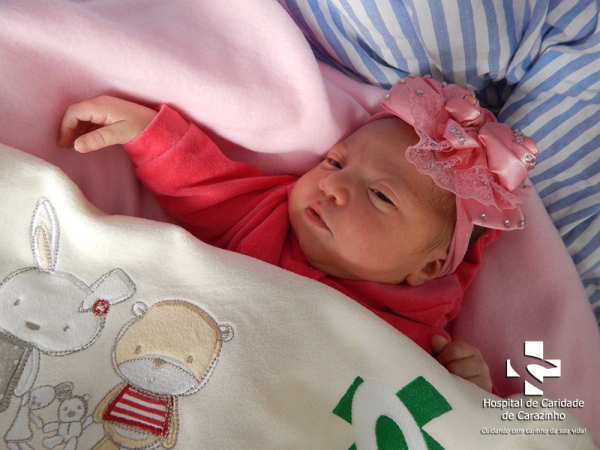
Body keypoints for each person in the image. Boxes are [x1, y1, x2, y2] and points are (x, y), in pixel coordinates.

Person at [57, 76, 537, 393]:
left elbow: (431, 420)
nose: (333, 186)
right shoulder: (267, 216)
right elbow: (203, 184)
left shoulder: (421, 342)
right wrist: (149, 132)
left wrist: (466, 388)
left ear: (427, 267)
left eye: (380, 196)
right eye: (335, 162)